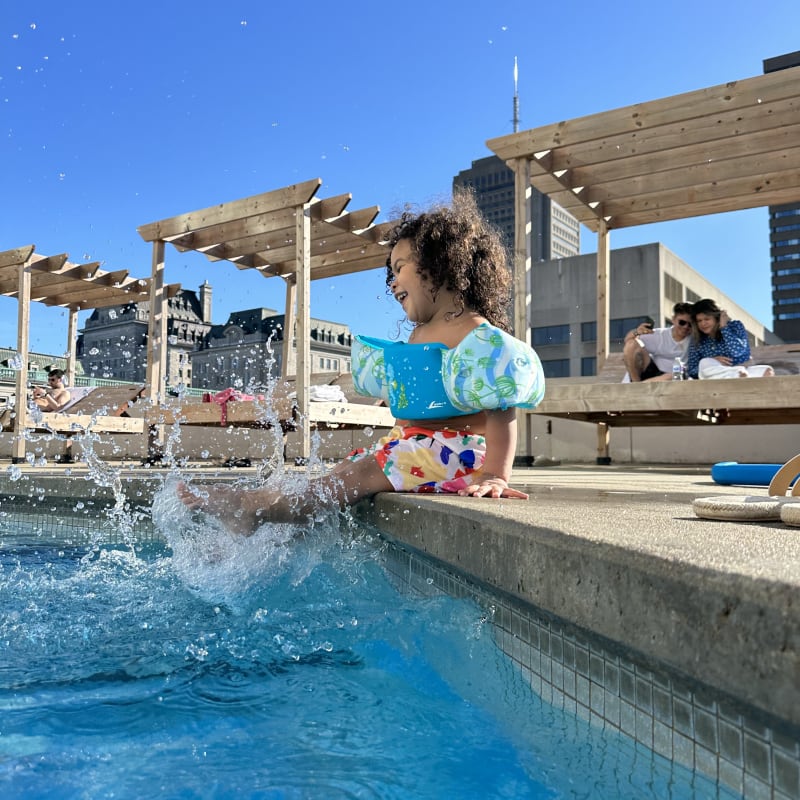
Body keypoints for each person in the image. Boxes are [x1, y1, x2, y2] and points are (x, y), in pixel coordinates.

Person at [178, 192, 546, 532]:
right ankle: (270, 516)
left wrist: (495, 475)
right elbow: (410, 411)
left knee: (357, 475)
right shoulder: (420, 334)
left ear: (440, 264)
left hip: (459, 453)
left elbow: (501, 412)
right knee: (339, 472)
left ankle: (250, 508)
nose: (392, 282)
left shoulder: (475, 333)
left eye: (400, 266)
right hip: (417, 446)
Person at [686, 298, 775, 379]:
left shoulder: (735, 326)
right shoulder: (696, 340)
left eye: (707, 319)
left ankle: (737, 375)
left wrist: (724, 328)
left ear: (717, 318)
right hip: (715, 377)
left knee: (767, 370)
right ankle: (736, 374)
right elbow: (692, 371)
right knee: (704, 362)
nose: (703, 324)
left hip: (744, 370)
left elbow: (737, 351)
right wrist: (713, 361)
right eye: (699, 321)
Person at [621, 303, 693, 382]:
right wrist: (636, 332)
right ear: (673, 320)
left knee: (675, 374)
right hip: (653, 372)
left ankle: (639, 386)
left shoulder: (695, 339)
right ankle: (635, 383)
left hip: (675, 378)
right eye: (682, 322)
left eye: (690, 324)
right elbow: (629, 343)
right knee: (631, 345)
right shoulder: (660, 335)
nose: (685, 327)